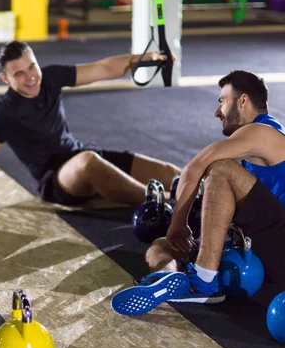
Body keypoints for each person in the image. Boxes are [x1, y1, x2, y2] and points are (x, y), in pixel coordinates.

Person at [111, 70, 285, 316]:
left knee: (220, 168)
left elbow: (194, 168)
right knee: (161, 246)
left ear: (243, 101)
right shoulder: (250, 149)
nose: (217, 112)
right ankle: (167, 280)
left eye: (222, 101)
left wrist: (177, 224)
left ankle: (204, 281)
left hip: (279, 245)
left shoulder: (262, 131)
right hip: (258, 243)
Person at [0, 41, 180, 207]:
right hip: (56, 181)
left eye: (32, 66)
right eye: (18, 73)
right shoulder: (3, 112)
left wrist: (147, 59)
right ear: (4, 78)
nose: (30, 77)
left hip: (79, 155)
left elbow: (102, 68)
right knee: (89, 161)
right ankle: (167, 203)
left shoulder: (50, 78)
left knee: (172, 173)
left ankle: (200, 191)